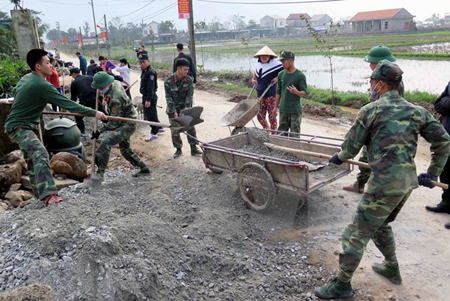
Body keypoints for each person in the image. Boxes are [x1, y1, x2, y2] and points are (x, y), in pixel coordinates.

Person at [315, 60, 450, 299]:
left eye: (371, 83)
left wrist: (338, 158)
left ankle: (342, 284)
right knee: (380, 226)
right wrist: (432, 172)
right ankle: (391, 267)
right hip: (407, 183)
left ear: (379, 84)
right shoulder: (417, 111)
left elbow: (350, 148)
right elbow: (443, 141)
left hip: (384, 186)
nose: (371, 87)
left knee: (355, 233)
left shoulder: (371, 110)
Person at [4, 49, 107, 206]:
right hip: (20, 127)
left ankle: (39, 194)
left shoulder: (27, 78)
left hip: (19, 126)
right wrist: (95, 113)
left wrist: (24, 101)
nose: (52, 65)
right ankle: (49, 194)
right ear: (38, 66)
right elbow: (69, 105)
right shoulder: (41, 85)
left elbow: (16, 92)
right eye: (47, 62)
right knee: (40, 153)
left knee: (32, 159)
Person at [343, 45, 404, 194]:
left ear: (381, 63)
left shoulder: (390, 82)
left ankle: (367, 185)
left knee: (368, 155)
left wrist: (341, 156)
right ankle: (363, 183)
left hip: (381, 124)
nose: (370, 66)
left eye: (371, 63)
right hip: (380, 121)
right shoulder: (390, 77)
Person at [90, 72, 150, 182]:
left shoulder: (115, 99)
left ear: (104, 86)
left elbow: (114, 123)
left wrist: (100, 131)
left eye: (99, 88)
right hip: (123, 119)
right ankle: (144, 169)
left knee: (105, 143)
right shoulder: (114, 83)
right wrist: (104, 98)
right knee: (125, 150)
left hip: (127, 124)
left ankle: (100, 173)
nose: (98, 90)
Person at [165, 58, 202, 158]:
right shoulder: (168, 81)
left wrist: (186, 111)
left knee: (191, 127)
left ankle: (194, 148)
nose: (187, 71)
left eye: (187, 69)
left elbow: (189, 97)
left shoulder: (189, 80)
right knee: (175, 130)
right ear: (178, 68)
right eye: (185, 69)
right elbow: (168, 97)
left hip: (185, 108)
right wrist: (173, 111)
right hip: (173, 109)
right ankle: (178, 149)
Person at [426, 80, 450, 225]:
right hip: (447, 134)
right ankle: (447, 203)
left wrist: (447, 103)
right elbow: (438, 104)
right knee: (446, 171)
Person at [273, 51, 307, 136]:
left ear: (291, 60)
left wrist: (296, 92)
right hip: (283, 110)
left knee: (294, 135)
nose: (282, 64)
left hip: (294, 111)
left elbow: (304, 92)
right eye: (281, 62)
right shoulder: (281, 74)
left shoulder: (300, 76)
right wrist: (275, 107)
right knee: (281, 134)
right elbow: (278, 91)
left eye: (284, 62)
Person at [251, 46, 283, 131]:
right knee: (260, 115)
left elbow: (285, 71)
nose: (264, 57)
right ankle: (266, 128)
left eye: (266, 56)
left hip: (271, 95)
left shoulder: (276, 64)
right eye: (262, 56)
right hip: (260, 95)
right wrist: (253, 79)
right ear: (259, 57)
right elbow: (256, 74)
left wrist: (278, 78)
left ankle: (273, 132)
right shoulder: (258, 65)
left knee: (272, 115)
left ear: (270, 57)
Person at [70, 67, 105, 134]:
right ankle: (111, 127)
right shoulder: (89, 77)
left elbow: (73, 98)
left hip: (84, 101)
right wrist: (100, 100)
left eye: (71, 75)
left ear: (74, 74)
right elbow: (97, 88)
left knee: (78, 117)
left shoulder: (74, 83)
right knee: (104, 115)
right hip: (94, 99)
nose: (72, 77)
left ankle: (82, 132)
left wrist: (73, 108)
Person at [139, 54, 161, 141]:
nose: (142, 64)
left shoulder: (150, 72)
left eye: (144, 62)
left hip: (149, 96)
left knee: (150, 115)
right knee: (152, 113)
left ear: (148, 61)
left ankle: (154, 132)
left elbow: (151, 87)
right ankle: (158, 126)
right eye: (140, 62)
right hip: (147, 95)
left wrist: (148, 100)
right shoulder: (145, 70)